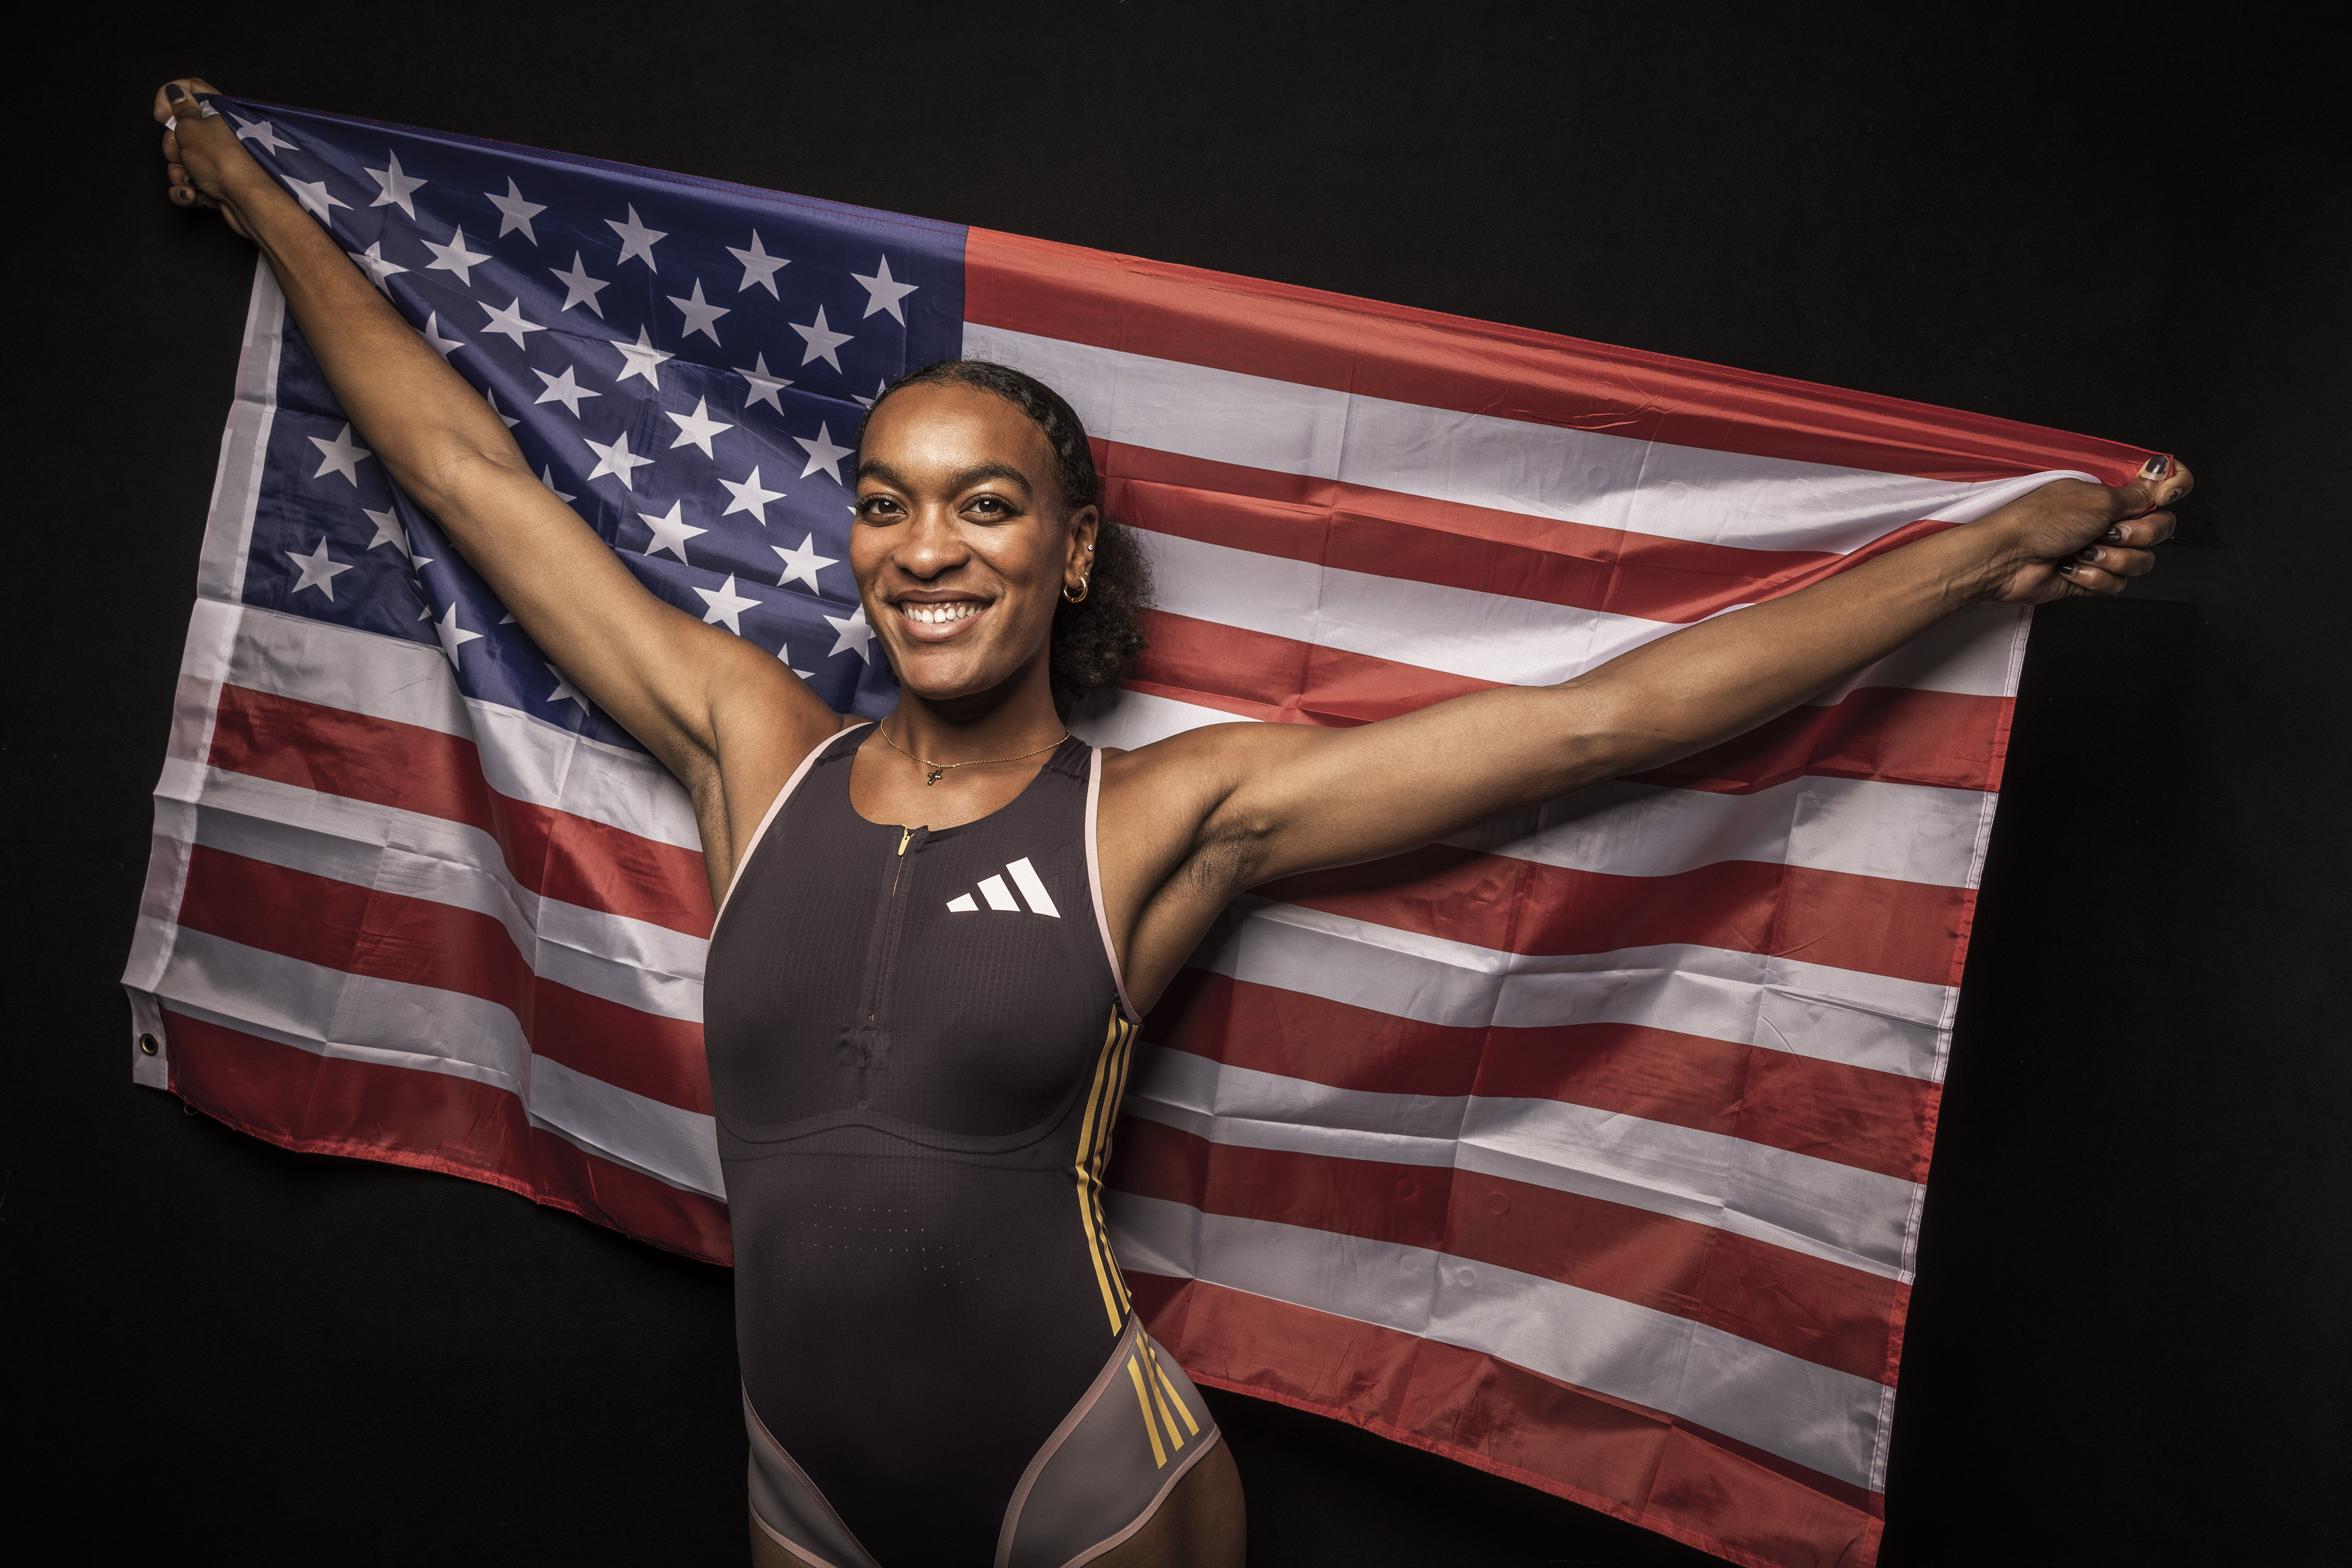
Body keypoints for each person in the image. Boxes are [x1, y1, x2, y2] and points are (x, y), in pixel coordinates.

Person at [153, 76, 2187, 1568]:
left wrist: (1984, 559)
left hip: (1087, 1486)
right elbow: (468, 476)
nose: (923, 548)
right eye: (883, 501)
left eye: (983, 504)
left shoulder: (1172, 815)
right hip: (793, 1494)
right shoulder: (743, 746)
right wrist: (262, 196)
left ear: (1067, 553)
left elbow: (1617, 719)